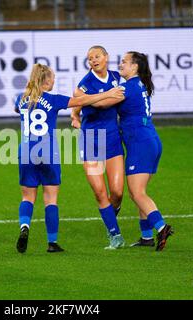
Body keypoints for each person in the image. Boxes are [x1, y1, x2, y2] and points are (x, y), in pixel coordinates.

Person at [15, 63, 124, 253]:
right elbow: (83, 100)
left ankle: (25, 227)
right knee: (51, 198)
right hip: (47, 151)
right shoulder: (55, 99)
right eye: (53, 79)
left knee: (27, 196)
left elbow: (19, 108)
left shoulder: (21, 99)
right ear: (46, 81)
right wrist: (107, 94)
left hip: (25, 151)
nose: (54, 81)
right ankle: (52, 242)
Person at [90, 51, 173, 251]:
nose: (120, 65)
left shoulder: (127, 87)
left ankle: (161, 227)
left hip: (139, 143)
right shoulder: (139, 85)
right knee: (140, 192)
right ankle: (146, 237)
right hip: (150, 140)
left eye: (124, 62)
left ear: (134, 67)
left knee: (136, 193)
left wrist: (80, 99)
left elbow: (101, 103)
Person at [71, 46, 126, 249]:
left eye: (96, 56)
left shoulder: (115, 76)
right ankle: (115, 234)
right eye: (89, 58)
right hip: (91, 140)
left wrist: (77, 112)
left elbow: (120, 98)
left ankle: (109, 219)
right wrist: (75, 115)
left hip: (112, 138)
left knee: (118, 193)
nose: (93, 60)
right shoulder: (85, 84)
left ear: (106, 57)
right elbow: (92, 102)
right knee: (99, 191)